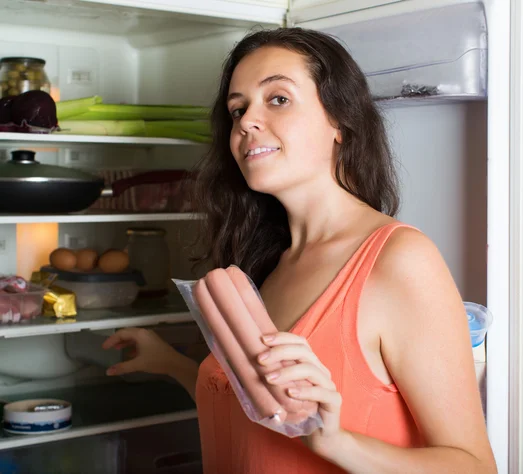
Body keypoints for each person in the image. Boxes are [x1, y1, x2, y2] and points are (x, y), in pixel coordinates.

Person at [103, 28, 497, 474]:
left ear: (340, 123)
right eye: (238, 109)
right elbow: (261, 417)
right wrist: (171, 363)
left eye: (278, 99)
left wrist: (336, 444)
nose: (247, 120)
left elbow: (474, 467)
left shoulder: (399, 260)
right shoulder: (271, 262)